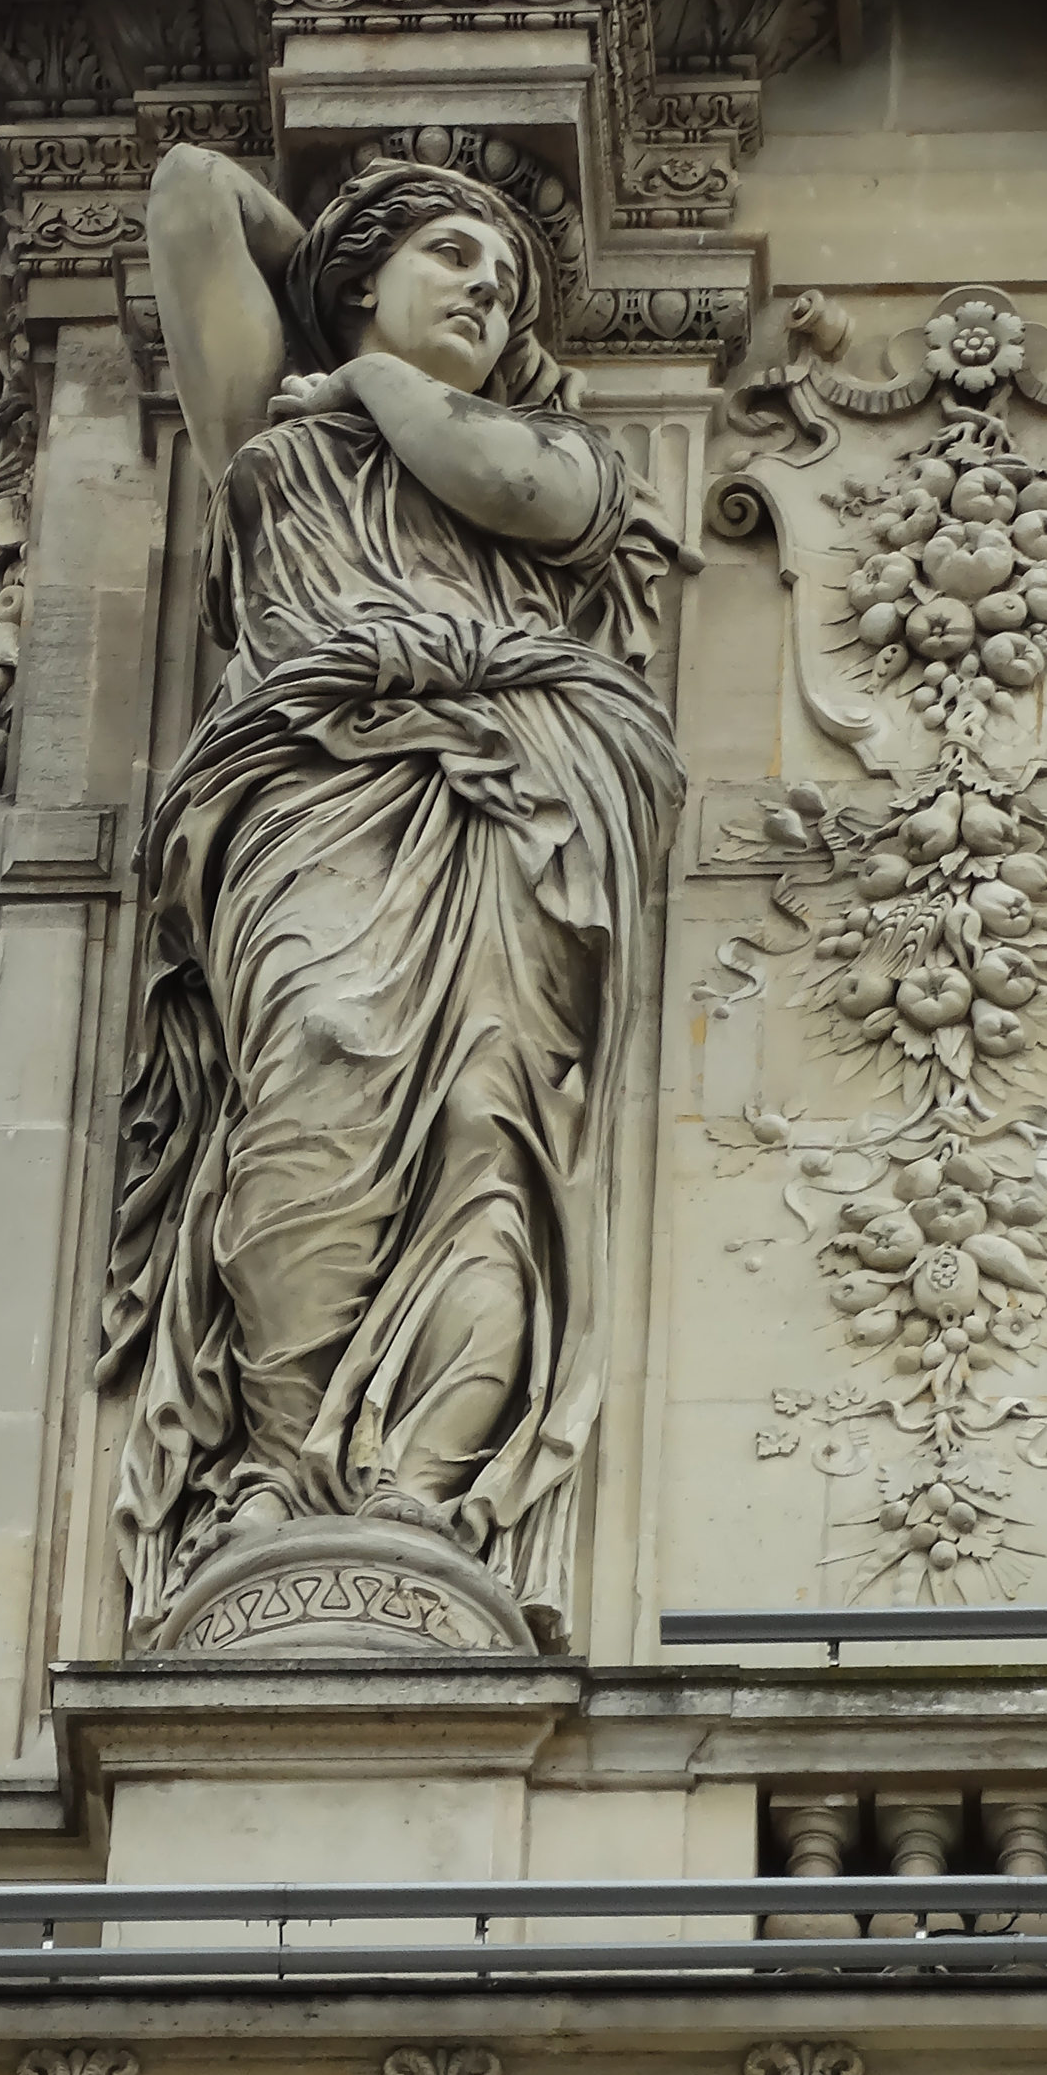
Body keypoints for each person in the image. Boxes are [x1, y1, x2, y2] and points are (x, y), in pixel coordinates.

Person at [97, 149, 683, 1650]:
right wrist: (331, 289)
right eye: (451, 259)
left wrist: (364, 370)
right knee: (313, 1087)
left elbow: (513, 486)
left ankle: (421, 1490)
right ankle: (283, 1481)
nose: (487, 287)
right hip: (316, 795)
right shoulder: (263, 438)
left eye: (508, 282)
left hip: (507, 802)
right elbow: (186, 193)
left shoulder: (554, 458)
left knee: (492, 1135)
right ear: (356, 279)